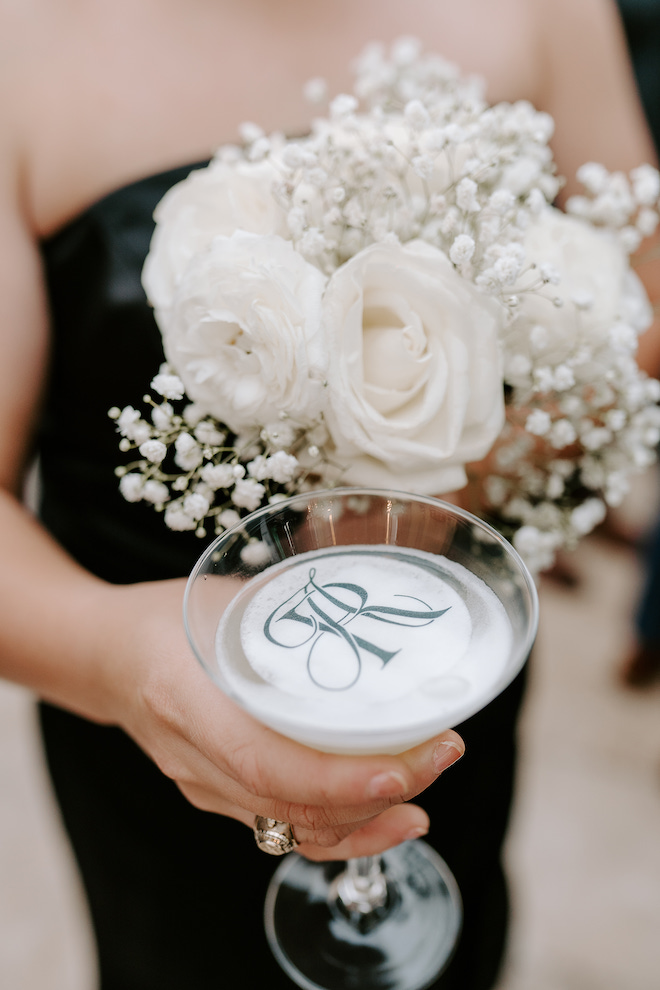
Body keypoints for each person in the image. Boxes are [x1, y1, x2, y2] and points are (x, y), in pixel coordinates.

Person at [0, 1, 657, 988]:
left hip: (438, 652)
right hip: (150, 706)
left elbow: (642, 274)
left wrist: (474, 463)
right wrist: (122, 661)